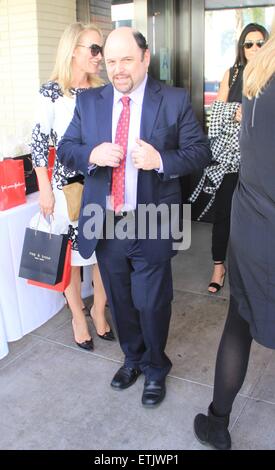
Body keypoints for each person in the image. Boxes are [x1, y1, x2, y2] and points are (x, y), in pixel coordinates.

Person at [58, 26, 211, 407]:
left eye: (127, 59)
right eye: (111, 61)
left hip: (154, 218)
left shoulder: (173, 100)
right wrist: (92, 154)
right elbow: (66, 149)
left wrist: (161, 160)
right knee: (122, 301)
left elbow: (199, 152)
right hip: (105, 219)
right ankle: (133, 359)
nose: (118, 69)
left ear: (145, 58)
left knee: (152, 301)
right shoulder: (90, 101)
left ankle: (157, 366)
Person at [193, 31, 275, 450]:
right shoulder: (243, 80)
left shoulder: (260, 82)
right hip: (254, 218)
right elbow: (219, 128)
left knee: (239, 324)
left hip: (256, 227)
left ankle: (218, 423)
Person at [31, 22, 114, 352]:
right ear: (73, 50)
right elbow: (38, 143)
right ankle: (79, 315)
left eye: (101, 49)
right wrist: (45, 189)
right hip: (65, 189)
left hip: (100, 185)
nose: (100, 56)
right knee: (71, 255)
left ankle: (98, 308)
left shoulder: (103, 91)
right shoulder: (51, 92)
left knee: (103, 253)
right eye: (94, 49)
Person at [190, 23, 268, 294]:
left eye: (260, 43)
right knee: (224, 213)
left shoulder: (272, 75)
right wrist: (237, 111)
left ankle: (249, 273)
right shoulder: (233, 74)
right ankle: (218, 267)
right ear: (241, 47)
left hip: (261, 163)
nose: (254, 48)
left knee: (257, 220)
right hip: (231, 161)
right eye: (249, 44)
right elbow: (215, 119)